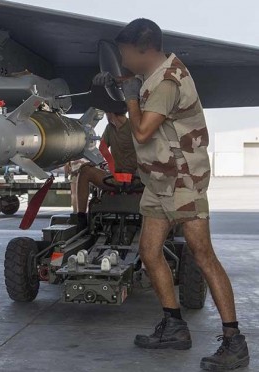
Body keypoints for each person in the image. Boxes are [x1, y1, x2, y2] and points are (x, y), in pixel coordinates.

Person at [94, 18, 249, 371]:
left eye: (125, 53)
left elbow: (144, 131)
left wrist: (129, 96)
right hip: (159, 181)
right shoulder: (154, 74)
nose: (123, 59)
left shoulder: (167, 80)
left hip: (183, 181)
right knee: (149, 252)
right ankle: (174, 326)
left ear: (143, 50)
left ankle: (234, 341)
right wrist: (118, 87)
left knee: (203, 255)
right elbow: (137, 101)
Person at [75, 109, 137, 230]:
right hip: (116, 178)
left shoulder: (134, 127)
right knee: (85, 171)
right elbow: (103, 149)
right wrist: (96, 164)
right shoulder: (110, 128)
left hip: (136, 179)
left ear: (111, 113)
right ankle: (81, 218)